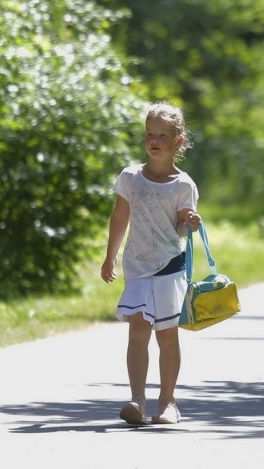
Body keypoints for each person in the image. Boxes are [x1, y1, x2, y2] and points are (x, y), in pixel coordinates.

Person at [100, 101, 201, 426]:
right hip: (138, 268)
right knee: (138, 328)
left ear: (177, 142)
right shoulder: (131, 177)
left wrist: (190, 220)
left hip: (169, 267)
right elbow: (119, 218)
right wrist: (110, 256)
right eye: (149, 134)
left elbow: (181, 224)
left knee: (167, 335)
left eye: (162, 135)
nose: (153, 140)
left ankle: (168, 402)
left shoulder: (183, 184)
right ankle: (137, 400)